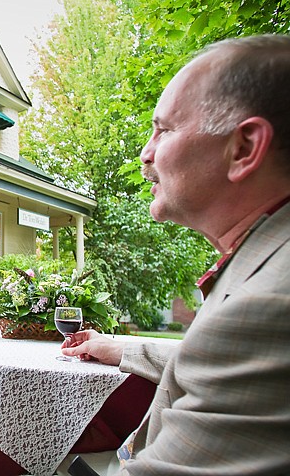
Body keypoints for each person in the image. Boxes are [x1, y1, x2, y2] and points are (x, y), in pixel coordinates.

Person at [61, 34, 290, 475]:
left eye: (162, 129)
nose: (146, 153)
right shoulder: (265, 259)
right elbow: (214, 358)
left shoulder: (268, 306)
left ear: (243, 149)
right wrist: (119, 347)